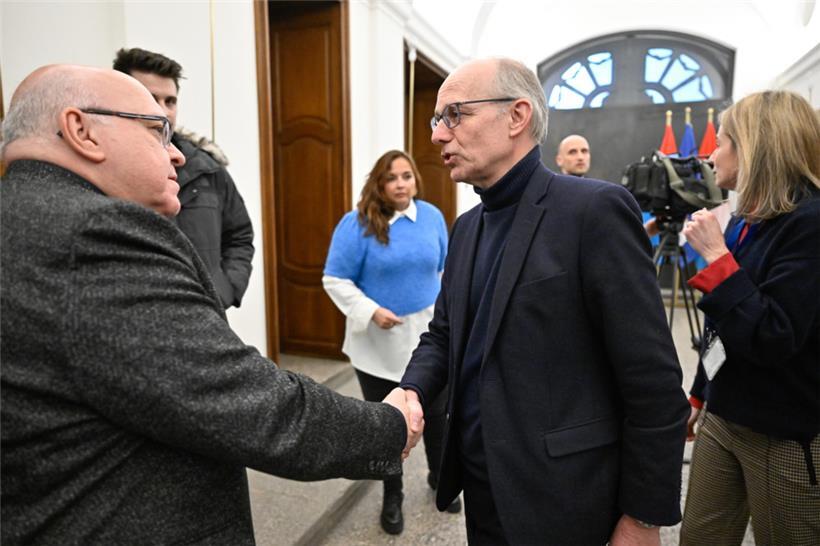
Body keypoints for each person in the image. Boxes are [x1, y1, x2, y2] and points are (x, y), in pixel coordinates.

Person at [0, 65, 421, 545]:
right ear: (82, 130)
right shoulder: (96, 234)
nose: (177, 153)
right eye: (156, 131)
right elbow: (244, 403)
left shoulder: (22, 214)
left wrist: (218, 291)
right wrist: (387, 428)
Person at [399, 57, 690, 545]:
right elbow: (445, 335)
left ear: (517, 116)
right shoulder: (466, 228)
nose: (437, 135)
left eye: (454, 115)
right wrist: (411, 389)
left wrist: (642, 518)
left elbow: (653, 383)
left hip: (566, 497)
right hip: (485, 489)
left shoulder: (592, 212)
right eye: (436, 119)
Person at [680, 90, 820, 546]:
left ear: (756, 147)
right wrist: (700, 393)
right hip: (724, 414)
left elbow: (773, 335)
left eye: (722, 141)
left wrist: (717, 258)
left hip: (784, 431)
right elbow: (722, 325)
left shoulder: (809, 223)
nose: (711, 154)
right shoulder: (748, 219)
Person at [323, 150, 457, 535]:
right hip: (377, 346)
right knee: (387, 424)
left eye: (407, 176)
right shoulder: (357, 223)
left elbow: (443, 270)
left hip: (428, 339)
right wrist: (371, 310)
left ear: (415, 179)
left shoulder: (431, 217)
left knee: (437, 415)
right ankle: (392, 494)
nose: (401, 184)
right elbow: (335, 279)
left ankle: (439, 476)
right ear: (379, 184)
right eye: (392, 178)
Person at [113, 47, 254, 309]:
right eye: (151, 98)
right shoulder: (103, 168)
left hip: (206, 315)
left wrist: (225, 290)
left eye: (170, 101)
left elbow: (239, 235)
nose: (163, 111)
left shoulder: (207, 168)